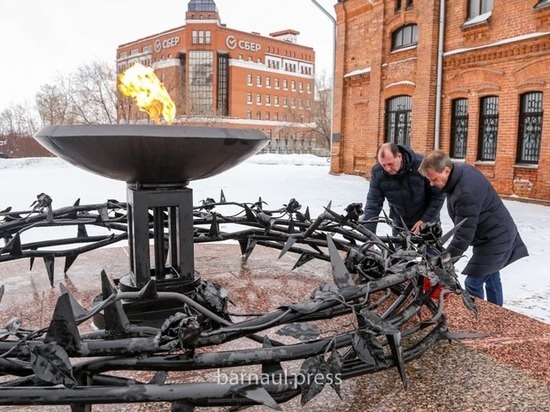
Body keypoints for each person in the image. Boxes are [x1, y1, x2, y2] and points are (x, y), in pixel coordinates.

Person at [418, 150, 528, 306]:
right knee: (490, 274)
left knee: (473, 282)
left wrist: (445, 260)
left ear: (447, 170)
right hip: (493, 232)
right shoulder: (460, 172)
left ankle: (479, 319)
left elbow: (463, 235)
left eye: (434, 179)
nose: (431, 184)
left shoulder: (464, 193)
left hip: (495, 237)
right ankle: (497, 314)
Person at [361, 142, 445, 235]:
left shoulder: (422, 165)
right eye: (384, 165)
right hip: (400, 223)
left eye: (390, 164)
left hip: (427, 221)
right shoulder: (378, 172)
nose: (388, 169)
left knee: (430, 249)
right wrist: (368, 235)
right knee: (399, 250)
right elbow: (373, 203)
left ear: (399, 156)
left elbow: (438, 195)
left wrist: (425, 220)